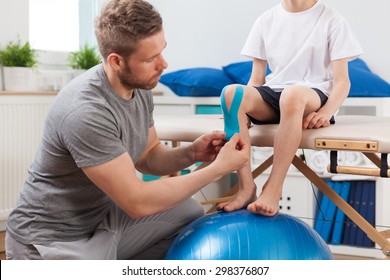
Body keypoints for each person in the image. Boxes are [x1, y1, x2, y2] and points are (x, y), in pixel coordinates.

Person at [5, 0, 249, 260]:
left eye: (162, 51)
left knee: (187, 212)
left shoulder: (140, 87)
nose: (163, 64)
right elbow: (137, 202)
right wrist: (218, 169)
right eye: (150, 58)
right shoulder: (85, 111)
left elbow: (148, 155)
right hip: (51, 240)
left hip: (102, 224)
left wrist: (192, 153)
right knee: (153, 206)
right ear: (116, 61)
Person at [217, 0, 363, 216]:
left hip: (313, 94)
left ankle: (273, 188)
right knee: (231, 94)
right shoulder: (265, 20)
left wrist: (326, 112)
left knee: (292, 94)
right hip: (275, 93)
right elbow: (257, 79)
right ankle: (247, 187)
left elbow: (342, 82)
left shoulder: (332, 19)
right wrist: (244, 110)